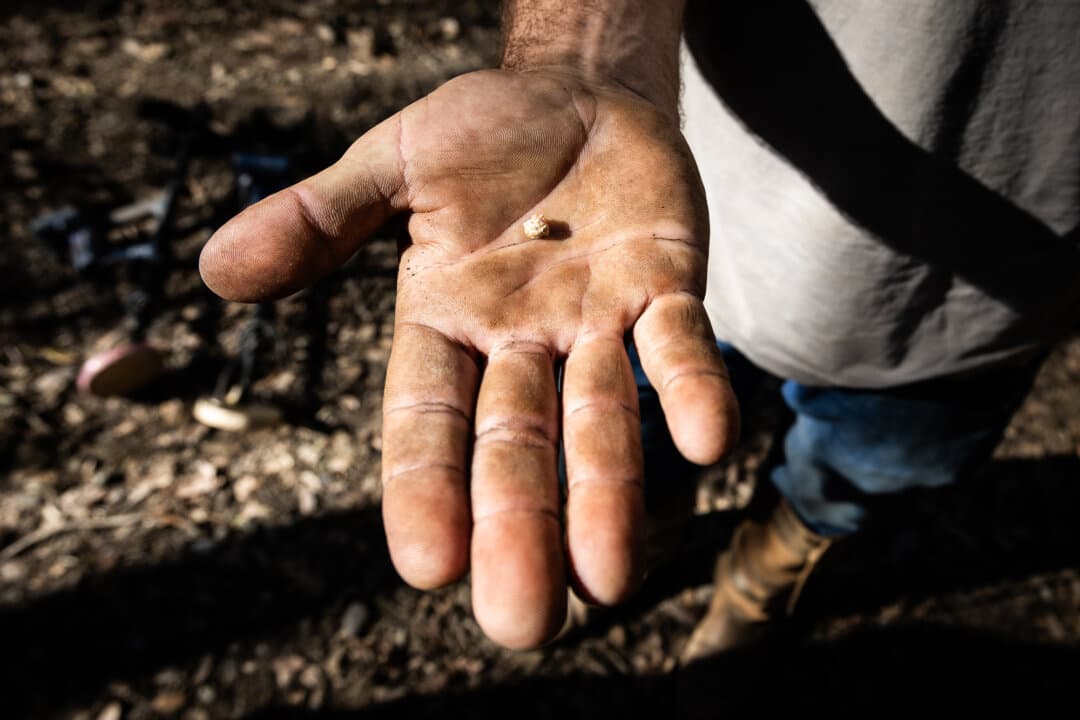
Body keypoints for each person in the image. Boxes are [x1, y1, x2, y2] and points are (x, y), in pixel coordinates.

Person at [199, 1, 1080, 659]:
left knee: (868, 472)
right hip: (670, 257)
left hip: (985, 311)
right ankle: (647, 533)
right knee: (638, 433)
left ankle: (761, 576)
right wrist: (578, 59)